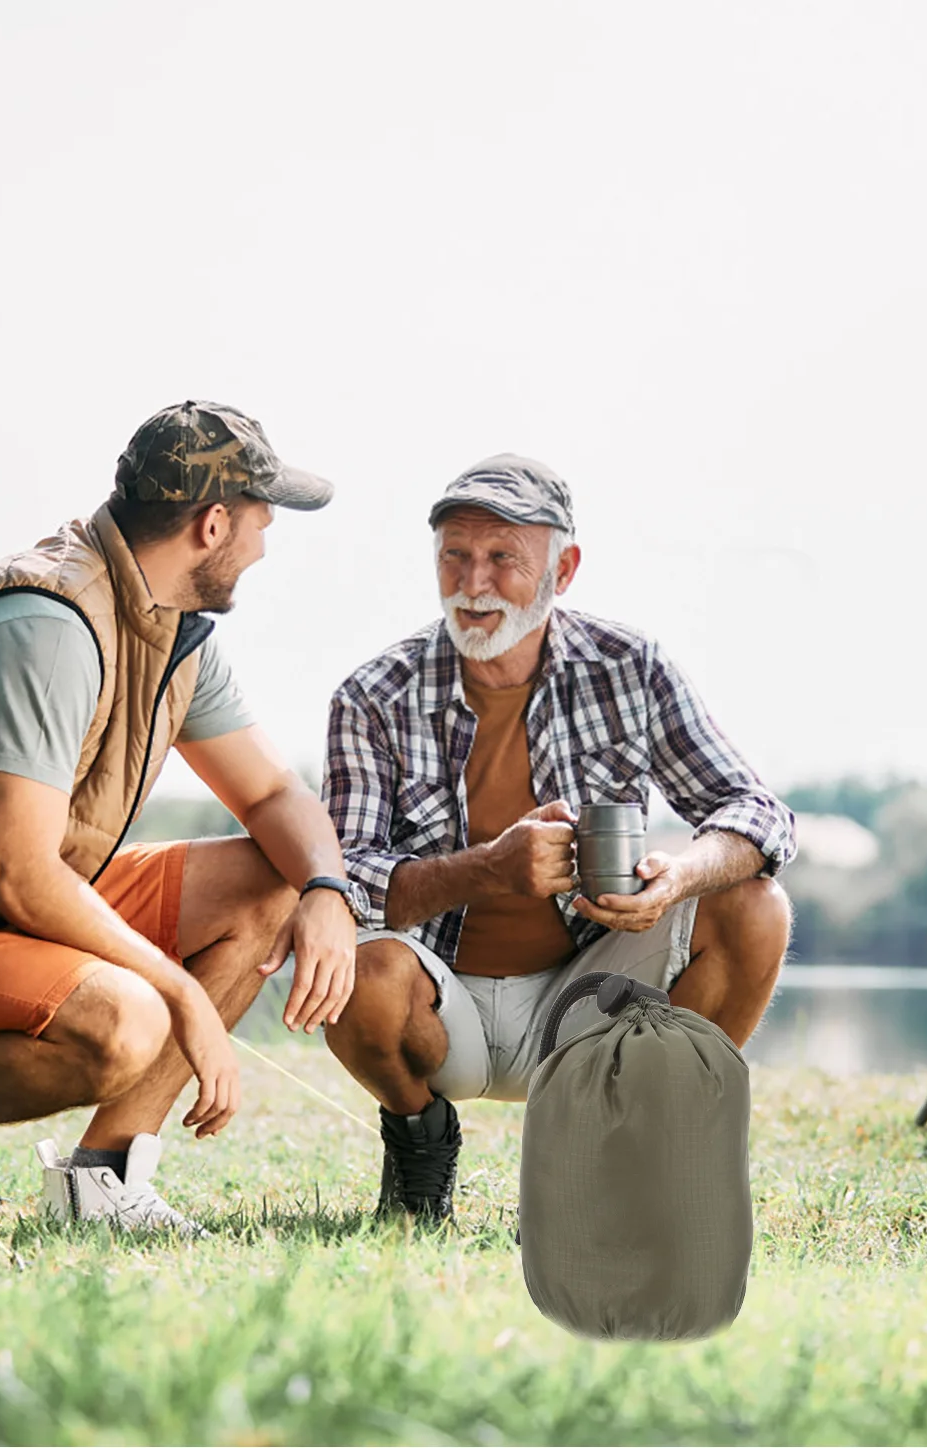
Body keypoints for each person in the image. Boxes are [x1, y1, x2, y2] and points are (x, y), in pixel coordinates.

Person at [0, 402, 367, 1239]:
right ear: (213, 522)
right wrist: (184, 993)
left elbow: (272, 797)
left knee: (273, 879)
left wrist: (330, 890)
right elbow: (19, 874)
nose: (267, 542)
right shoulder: (44, 622)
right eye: (264, 519)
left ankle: (105, 1180)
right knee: (127, 1022)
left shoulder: (169, 625)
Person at [323, 454, 795, 1222]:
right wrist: (487, 871)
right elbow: (342, 876)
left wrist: (678, 876)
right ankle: (419, 1143)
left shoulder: (628, 667)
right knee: (349, 961)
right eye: (455, 557)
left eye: (504, 558)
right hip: (441, 1004)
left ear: (563, 569)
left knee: (754, 903)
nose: (474, 583)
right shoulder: (375, 695)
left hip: (589, 993)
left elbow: (756, 812)